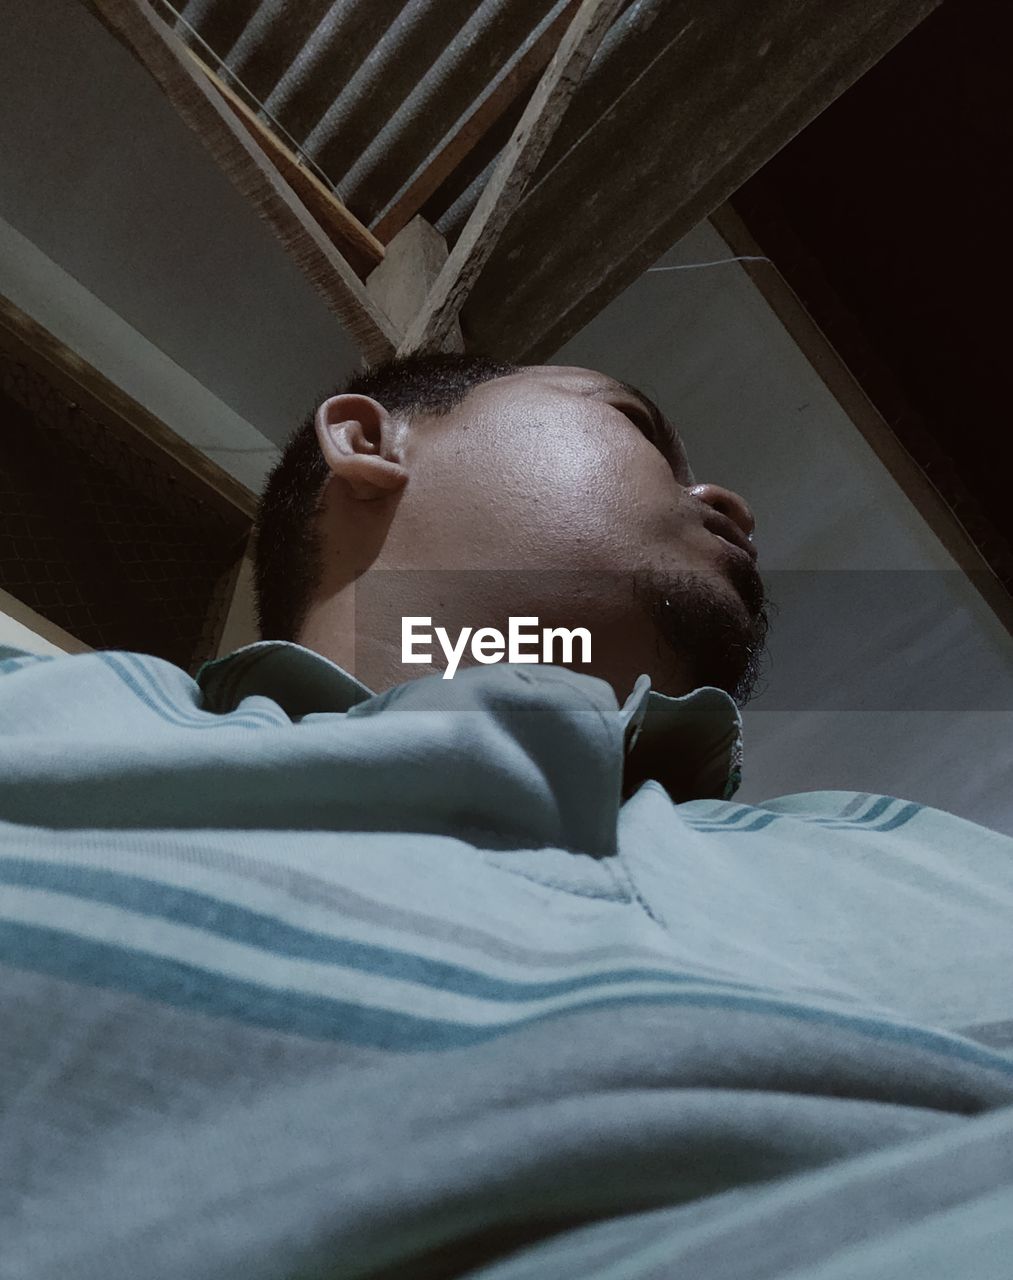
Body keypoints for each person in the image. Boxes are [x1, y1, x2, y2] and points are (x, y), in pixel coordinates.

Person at [1, 352, 1011, 1280]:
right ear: (367, 442)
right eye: (639, 428)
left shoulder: (911, 844)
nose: (726, 499)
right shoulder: (47, 720)